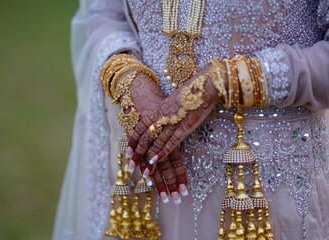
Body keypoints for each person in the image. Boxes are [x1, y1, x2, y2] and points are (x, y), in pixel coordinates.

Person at [53, 0, 329, 239]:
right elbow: (104, 13)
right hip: (149, 176)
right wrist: (131, 79)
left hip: (264, 192)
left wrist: (232, 79)